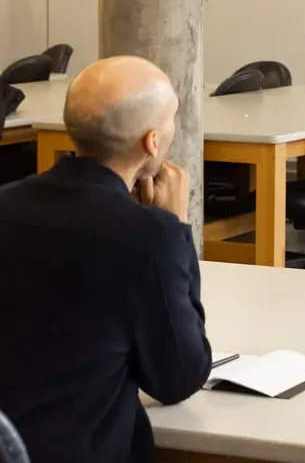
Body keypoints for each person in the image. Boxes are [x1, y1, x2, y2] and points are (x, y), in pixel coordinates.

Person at [0, 56, 212, 463]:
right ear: (152, 141)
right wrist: (175, 228)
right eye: (171, 121)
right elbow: (178, 377)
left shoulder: (6, 200)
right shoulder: (150, 238)